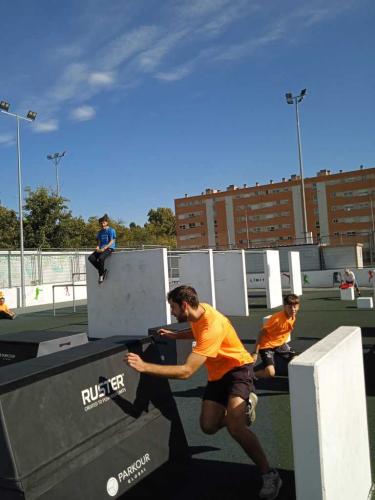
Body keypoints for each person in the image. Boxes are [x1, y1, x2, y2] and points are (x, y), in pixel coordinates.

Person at [125, 285, 282, 500]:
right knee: (208, 426)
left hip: (238, 370)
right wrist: (175, 335)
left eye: (173, 307)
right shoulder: (200, 312)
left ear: (185, 305)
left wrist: (144, 367)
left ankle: (269, 473)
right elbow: (195, 330)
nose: (171, 312)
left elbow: (186, 372)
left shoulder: (211, 327)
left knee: (236, 428)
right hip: (217, 375)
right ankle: (241, 409)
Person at [253, 294, 300, 379]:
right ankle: (251, 376)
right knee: (270, 373)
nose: (293, 309)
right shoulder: (276, 320)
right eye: (290, 307)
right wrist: (255, 353)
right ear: (284, 307)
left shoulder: (293, 316)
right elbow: (261, 333)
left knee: (297, 360)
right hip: (266, 346)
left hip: (280, 344)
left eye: (295, 306)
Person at [88, 214, 116, 284]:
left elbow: (112, 241)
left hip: (109, 248)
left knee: (101, 259)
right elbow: (99, 241)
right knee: (91, 258)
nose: (102, 224)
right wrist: (97, 247)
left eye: (104, 223)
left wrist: (105, 248)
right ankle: (102, 271)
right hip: (101, 249)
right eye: (101, 223)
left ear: (107, 222)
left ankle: (101, 275)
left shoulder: (111, 230)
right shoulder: (100, 232)